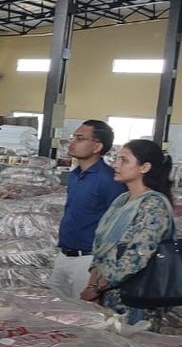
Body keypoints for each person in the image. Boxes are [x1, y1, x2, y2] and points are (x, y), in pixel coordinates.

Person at [82, 139, 176, 327]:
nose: (116, 165)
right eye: (117, 159)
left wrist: (97, 288)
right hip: (107, 294)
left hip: (134, 299)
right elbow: (103, 245)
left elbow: (136, 256)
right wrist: (93, 283)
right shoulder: (123, 200)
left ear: (144, 167)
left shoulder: (153, 204)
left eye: (124, 160)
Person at [51, 120, 127, 300]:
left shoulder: (109, 180)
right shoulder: (75, 175)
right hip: (64, 254)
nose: (72, 143)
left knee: (84, 317)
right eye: (73, 137)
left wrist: (99, 274)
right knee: (57, 313)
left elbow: (118, 226)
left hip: (88, 260)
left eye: (80, 138)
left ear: (97, 146)